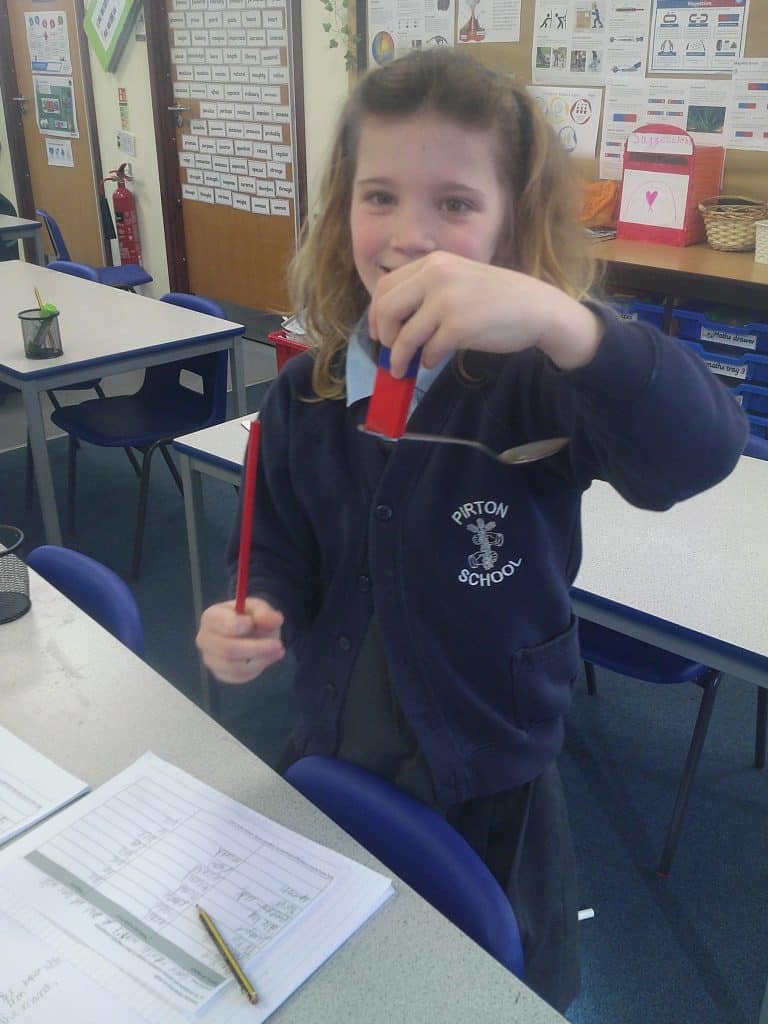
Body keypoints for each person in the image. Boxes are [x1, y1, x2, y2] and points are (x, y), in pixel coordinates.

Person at [197, 50, 747, 1011]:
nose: (410, 235)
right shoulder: (305, 394)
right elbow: (278, 542)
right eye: (379, 196)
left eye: (455, 203)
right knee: (343, 976)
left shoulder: (538, 384)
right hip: (338, 743)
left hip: (490, 766)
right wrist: (258, 608)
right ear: (343, 208)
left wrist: (565, 324)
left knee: (495, 986)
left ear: (510, 225)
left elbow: (698, 452)